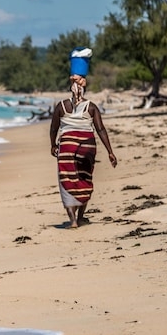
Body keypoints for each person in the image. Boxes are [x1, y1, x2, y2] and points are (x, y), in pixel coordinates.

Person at [48, 49, 117, 228]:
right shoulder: (91, 107)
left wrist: (53, 145)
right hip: (87, 145)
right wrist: (110, 152)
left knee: (67, 180)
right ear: (84, 87)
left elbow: (54, 127)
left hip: (67, 146)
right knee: (84, 179)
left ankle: (72, 220)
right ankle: (80, 217)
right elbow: (100, 129)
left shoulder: (61, 106)